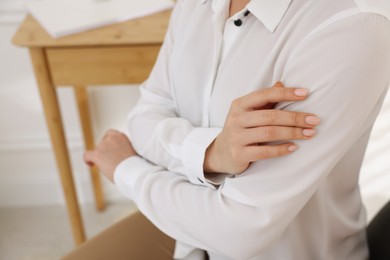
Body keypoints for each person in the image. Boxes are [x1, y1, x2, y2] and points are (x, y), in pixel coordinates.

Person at [65, 0, 390, 259]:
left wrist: (126, 169)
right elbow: (145, 114)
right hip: (185, 235)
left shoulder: (351, 27)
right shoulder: (195, 5)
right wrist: (210, 152)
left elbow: (242, 230)